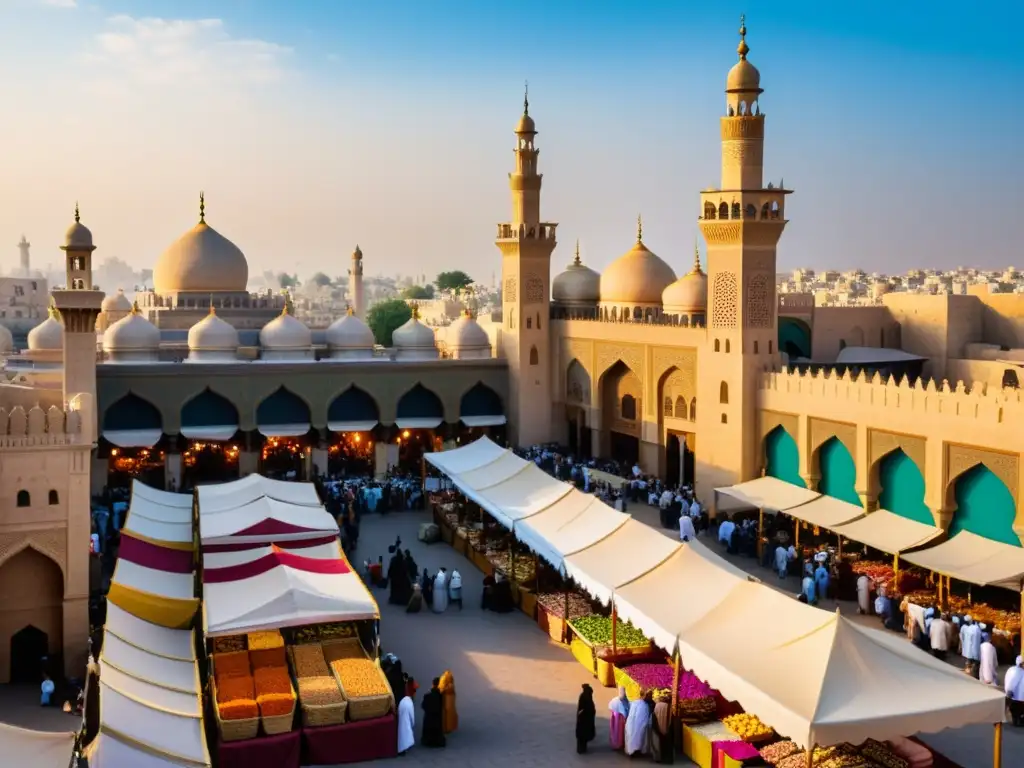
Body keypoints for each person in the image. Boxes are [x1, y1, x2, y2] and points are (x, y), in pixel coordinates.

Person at [624, 689, 653, 757]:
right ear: (645, 695)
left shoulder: (635, 702)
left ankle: (633, 750)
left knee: (632, 736)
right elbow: (642, 718)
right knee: (638, 736)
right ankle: (635, 750)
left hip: (632, 723)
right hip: (638, 724)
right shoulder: (644, 705)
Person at [421, 678, 446, 748]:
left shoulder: (427, 696)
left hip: (429, 718)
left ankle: (428, 741)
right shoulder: (441, 696)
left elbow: (423, 706)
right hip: (437, 717)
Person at [651, 693, 674, 764]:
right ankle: (668, 759)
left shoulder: (657, 705)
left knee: (658, 743)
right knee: (668, 744)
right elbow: (671, 718)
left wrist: (656, 728)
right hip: (667, 728)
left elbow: (654, 716)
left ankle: (659, 758)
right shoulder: (668, 706)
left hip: (658, 728)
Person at [575, 683, 596, 754]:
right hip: (586, 719)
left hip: (582, 719)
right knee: (584, 735)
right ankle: (582, 749)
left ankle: (581, 749)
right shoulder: (588, 697)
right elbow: (591, 709)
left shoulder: (582, 696)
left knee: (581, 736)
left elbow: (580, 708)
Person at [397, 682, 416, 755]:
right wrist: (412, 723)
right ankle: (404, 749)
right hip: (406, 722)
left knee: (402, 736)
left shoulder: (402, 701)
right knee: (406, 736)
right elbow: (412, 716)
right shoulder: (409, 702)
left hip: (402, 721)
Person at [1005, 656, 1024, 726]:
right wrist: (1010, 690)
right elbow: (1012, 682)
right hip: (1018, 698)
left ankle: (1016, 719)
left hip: (1014, 697)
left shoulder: (1011, 669)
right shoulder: (1018, 671)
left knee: (1015, 710)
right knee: (1018, 709)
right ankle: (1018, 720)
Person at [438, 670, 458, 734]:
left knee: (444, 714)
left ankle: (444, 728)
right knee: (449, 714)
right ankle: (448, 728)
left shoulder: (443, 678)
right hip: (450, 699)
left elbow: (441, 688)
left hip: (445, 698)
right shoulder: (451, 685)